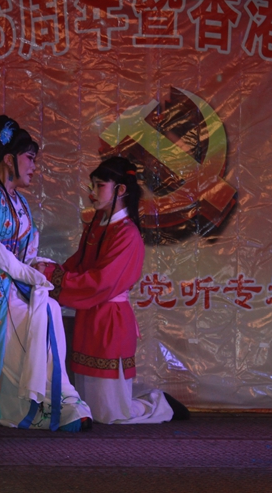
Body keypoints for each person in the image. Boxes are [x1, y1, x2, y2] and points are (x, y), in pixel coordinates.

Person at [0, 115, 91, 431]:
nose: (33, 166)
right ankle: (33, 406)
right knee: (28, 322)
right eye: (29, 158)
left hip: (8, 283)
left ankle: (60, 399)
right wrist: (24, 273)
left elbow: (24, 253)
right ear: (9, 159)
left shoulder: (20, 202)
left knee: (50, 309)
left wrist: (36, 267)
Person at [41, 156, 189, 424]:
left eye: (100, 186)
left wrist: (52, 277)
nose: (92, 192)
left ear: (120, 190)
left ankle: (159, 405)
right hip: (90, 316)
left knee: (110, 414)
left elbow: (101, 282)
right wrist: (49, 273)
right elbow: (78, 264)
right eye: (93, 185)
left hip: (110, 320)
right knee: (92, 406)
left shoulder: (127, 234)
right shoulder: (97, 225)